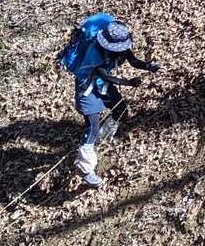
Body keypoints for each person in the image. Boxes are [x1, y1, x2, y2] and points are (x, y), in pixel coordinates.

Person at [68, 18, 159, 187]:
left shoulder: (122, 48)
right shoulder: (94, 52)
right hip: (87, 88)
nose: (122, 50)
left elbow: (133, 60)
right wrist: (128, 83)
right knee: (92, 126)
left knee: (121, 111)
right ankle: (85, 169)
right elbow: (105, 75)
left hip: (103, 85)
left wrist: (148, 66)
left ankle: (103, 138)